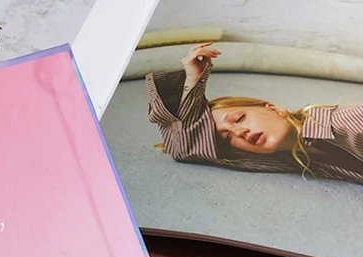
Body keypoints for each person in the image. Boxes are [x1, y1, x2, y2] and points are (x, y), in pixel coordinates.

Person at [146, 42, 363, 185]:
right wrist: (192, 81)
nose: (239, 133)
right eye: (227, 138)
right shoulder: (293, 158)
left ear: (275, 109)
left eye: (239, 118)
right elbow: (184, 149)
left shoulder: (349, 121)